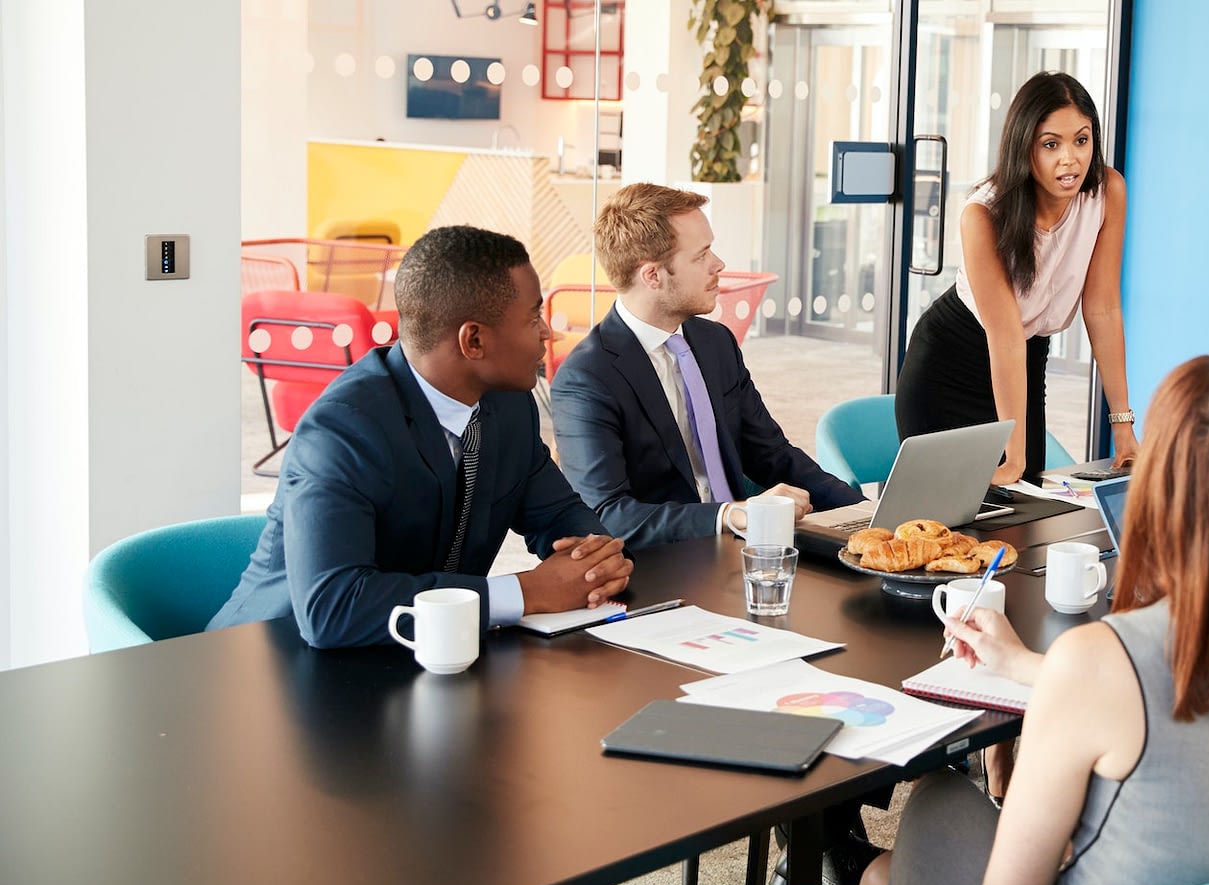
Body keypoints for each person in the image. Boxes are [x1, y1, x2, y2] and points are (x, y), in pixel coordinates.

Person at [862, 353, 1209, 885]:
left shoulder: (1101, 661)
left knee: (930, 809)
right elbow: (1180, 690)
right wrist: (1021, 665)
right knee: (887, 873)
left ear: (1157, 487)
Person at [211, 226, 631, 648]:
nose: (547, 332)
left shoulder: (508, 406)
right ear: (474, 340)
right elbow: (332, 609)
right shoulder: (341, 431)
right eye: (532, 317)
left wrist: (595, 564)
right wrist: (527, 592)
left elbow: (561, 515)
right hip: (270, 662)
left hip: (420, 658)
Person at [550, 183, 862, 551]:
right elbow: (608, 515)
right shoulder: (587, 377)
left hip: (745, 549)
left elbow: (773, 455)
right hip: (666, 564)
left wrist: (866, 512)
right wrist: (728, 514)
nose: (718, 264)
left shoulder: (715, 343)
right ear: (653, 276)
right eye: (701, 256)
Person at [896, 71, 1138, 485]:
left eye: (1082, 140)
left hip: (1026, 361)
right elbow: (1004, 335)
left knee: (1024, 519)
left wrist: (1122, 425)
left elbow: (1102, 308)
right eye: (1051, 144)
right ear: (1024, 148)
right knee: (958, 523)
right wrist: (1015, 458)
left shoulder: (1106, 191)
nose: (1070, 159)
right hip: (950, 366)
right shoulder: (983, 214)